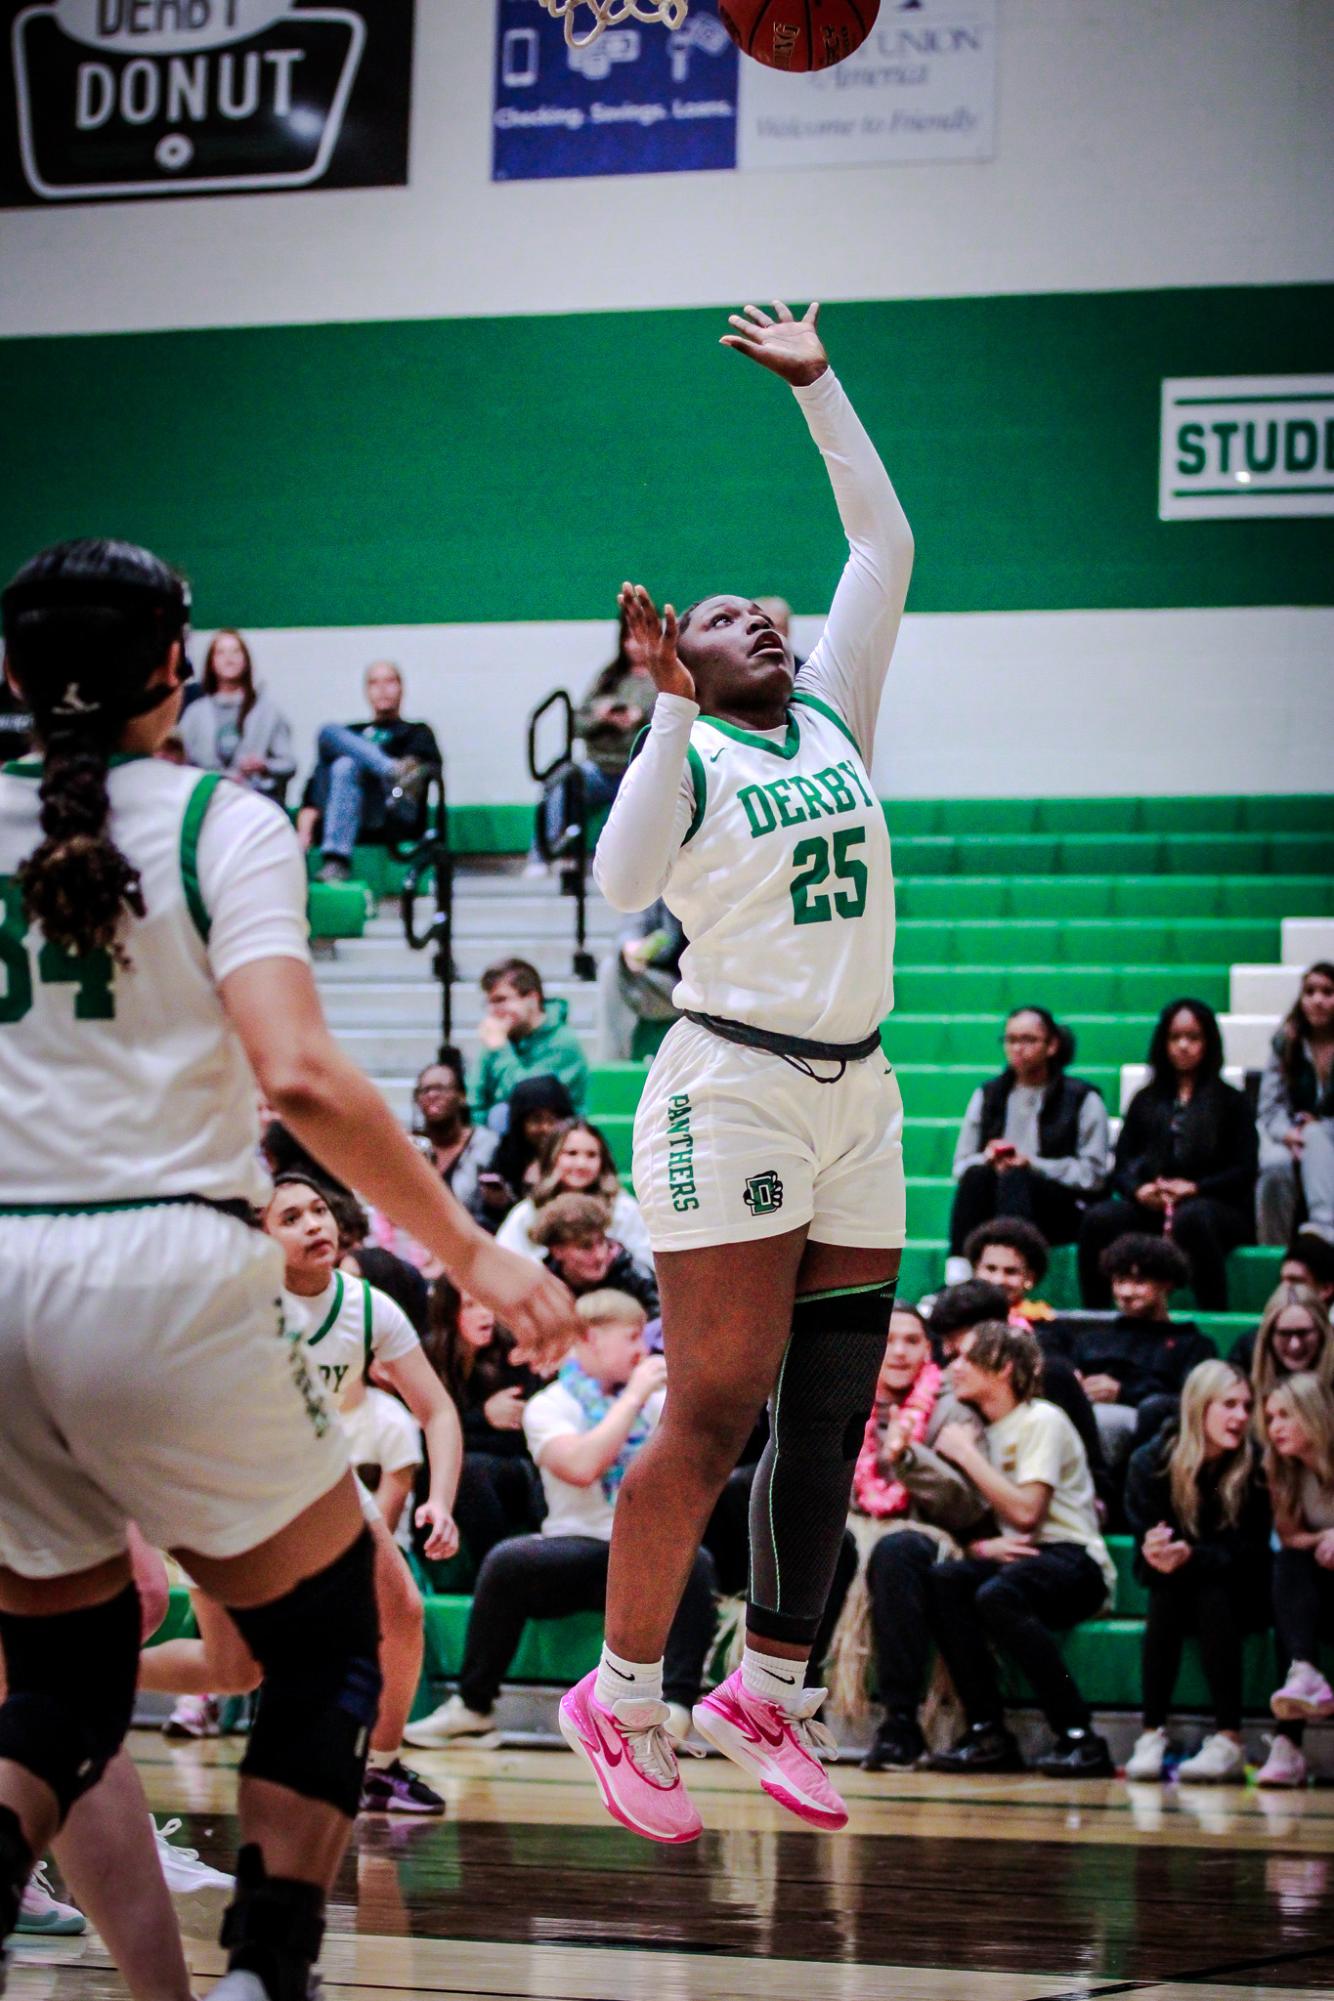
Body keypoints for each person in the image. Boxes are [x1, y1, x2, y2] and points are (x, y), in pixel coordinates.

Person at [0, 539, 576, 2001]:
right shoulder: (221, 819)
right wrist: (467, 1253)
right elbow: (301, 1076)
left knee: (54, 1691)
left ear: (10, 676)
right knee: (333, 1638)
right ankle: (269, 1968)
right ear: (175, 672)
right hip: (164, 1265)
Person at [562, 298, 914, 1845]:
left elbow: (881, 546)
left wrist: (819, 388)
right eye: (722, 616)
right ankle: (621, 1695)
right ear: (679, 658)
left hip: (860, 1086)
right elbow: (621, 888)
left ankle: (761, 1684)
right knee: (712, 1405)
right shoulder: (688, 754)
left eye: (764, 610)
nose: (759, 617)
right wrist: (665, 719)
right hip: (733, 1086)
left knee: (829, 1411)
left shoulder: (839, 702)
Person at [138, 1168, 467, 1817]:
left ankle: (378, 1765)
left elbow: (439, 1411)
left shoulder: (369, 1306)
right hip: (223, 1484)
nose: (314, 1222)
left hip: (318, 1474)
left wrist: (442, 1498)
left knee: (400, 1607)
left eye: (318, 1209)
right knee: (235, 1671)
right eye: (290, 1217)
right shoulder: (230, 1305)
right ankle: (67, 1674)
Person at [405, 1291, 718, 1756]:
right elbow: (582, 1465)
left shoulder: (658, 1403)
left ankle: (674, 1708)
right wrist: (632, 1398)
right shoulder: (549, 1405)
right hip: (576, 1547)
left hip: (644, 1551)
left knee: (694, 1561)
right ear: (590, 1338)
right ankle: (473, 1709)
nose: (642, 1351)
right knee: (507, 1562)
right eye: (631, 1337)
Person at [925, 1322, 1116, 1776]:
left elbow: (1029, 1512)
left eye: (967, 1358)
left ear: (1004, 1367)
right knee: (945, 1580)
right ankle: (988, 1732)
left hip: (1075, 1560)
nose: (954, 1367)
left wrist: (966, 1456)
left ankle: (1080, 1736)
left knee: (999, 1595)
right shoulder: (976, 1428)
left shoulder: (1041, 1420)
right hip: (1020, 1560)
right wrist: (981, 1547)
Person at [842, 1306, 989, 1772]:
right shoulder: (842, 1397)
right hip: (849, 1528)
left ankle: (901, 1722)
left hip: (923, 1533)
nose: (899, 1352)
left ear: (929, 1350)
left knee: (896, 1551)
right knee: (828, 1546)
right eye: (888, 1340)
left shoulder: (955, 1410)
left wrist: (910, 1459)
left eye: (911, 1341)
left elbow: (967, 1507)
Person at [1123, 1362, 1270, 1783]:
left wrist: (1192, 1556)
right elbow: (1143, 1560)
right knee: (1168, 1591)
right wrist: (1157, 1553)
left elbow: (1251, 1554)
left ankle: (1229, 1739)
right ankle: (1151, 1733)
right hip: (1175, 1589)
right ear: (1198, 1407)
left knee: (1210, 1587)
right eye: (1229, 1405)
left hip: (1241, 1593)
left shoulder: (1254, 1466)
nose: (1241, 1416)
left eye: (1246, 1406)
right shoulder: (1151, 1463)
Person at [1078, 998, 1258, 1311]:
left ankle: (1212, 1316)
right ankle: (1095, 1315)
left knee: (1193, 1219)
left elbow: (1244, 1170)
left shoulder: (1232, 1101)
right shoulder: (1145, 1099)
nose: (1183, 1046)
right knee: (1100, 1219)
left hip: (1216, 1207)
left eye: (1193, 1038)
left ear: (1208, 1043)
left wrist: (1195, 1189)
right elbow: (1121, 1166)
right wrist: (1139, 1190)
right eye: (1175, 1038)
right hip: (1152, 1204)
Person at [948, 1008, 1109, 1265]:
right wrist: (988, 1159)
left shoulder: (1082, 1098)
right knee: (977, 1176)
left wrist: (1032, 1164)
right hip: (996, 1199)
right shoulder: (988, 1094)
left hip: (1060, 1207)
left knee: (1016, 1177)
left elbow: (1094, 1175)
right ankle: (958, 1278)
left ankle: (1012, 1271)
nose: (1018, 1048)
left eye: (1028, 1040)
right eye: (1011, 1040)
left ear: (1052, 1045)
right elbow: (961, 1166)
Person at [931, 1279, 1109, 1507]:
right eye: (943, 1339)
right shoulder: (945, 1377)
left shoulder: (1050, 1381)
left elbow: (1093, 1469)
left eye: (954, 1338)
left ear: (992, 1332)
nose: (946, 1351)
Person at [415, 1279, 546, 1575]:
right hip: (456, 1471)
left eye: (488, 1303)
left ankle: (497, 1576)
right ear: (449, 1312)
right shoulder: (430, 1355)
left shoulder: (512, 1352)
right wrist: (483, 1418)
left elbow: (520, 1439)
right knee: (439, 1469)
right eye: (471, 1306)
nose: (485, 1314)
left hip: (516, 1467)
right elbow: (426, 1436)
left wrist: (465, 1430)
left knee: (469, 1470)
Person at [528, 605, 657, 877]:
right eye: (629, 638)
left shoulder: (665, 679)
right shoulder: (609, 678)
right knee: (561, 779)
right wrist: (602, 717)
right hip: (600, 768)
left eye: (641, 637)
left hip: (640, 771)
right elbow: (576, 724)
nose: (634, 646)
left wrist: (640, 718)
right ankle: (550, 852)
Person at [1072, 1234, 1216, 1471]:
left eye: (1139, 1282)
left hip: (1150, 1436)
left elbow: (1190, 1401)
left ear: (1166, 1284)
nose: (1126, 1292)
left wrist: (1124, 1392)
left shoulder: (1193, 1345)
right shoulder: (1091, 1340)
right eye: (1119, 1281)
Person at [296, 660, 440, 883]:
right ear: (367, 691)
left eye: (389, 681)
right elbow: (316, 786)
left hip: (393, 808)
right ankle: (391, 768)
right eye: (374, 682)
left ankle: (336, 859)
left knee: (346, 762)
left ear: (401, 688)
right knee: (333, 741)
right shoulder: (353, 733)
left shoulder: (416, 731)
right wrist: (304, 828)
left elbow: (420, 775)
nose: (382, 688)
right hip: (349, 810)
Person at [1260, 1373, 1334, 1787]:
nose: (1275, 1428)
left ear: (1314, 1414)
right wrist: (1326, 1537)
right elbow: (1290, 1535)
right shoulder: (1281, 1467)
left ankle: (1302, 1679)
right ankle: (1303, 1677)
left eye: (1286, 1416)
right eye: (1271, 1418)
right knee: (1288, 1565)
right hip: (1323, 1585)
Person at [370, 1052, 509, 1266]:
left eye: (441, 1088)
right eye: (425, 1090)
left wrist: (497, 1201)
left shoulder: (488, 1144)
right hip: (414, 1252)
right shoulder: (407, 1147)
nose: (432, 1095)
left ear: (461, 1096)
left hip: (472, 1249)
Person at [496, 1117, 652, 1267]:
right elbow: (503, 1265)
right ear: (552, 1158)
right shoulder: (528, 1212)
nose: (581, 1164)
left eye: (591, 1155)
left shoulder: (623, 1209)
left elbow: (646, 1263)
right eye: (571, 1153)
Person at [1256, 963, 1334, 1247]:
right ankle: (1272, 1250)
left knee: (1317, 1137)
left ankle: (1324, 1233)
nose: (1318, 1000)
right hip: (1293, 1134)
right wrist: (1288, 1134)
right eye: (1310, 992)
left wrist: (1318, 1129)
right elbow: (1270, 1106)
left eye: (1328, 992)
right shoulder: (1286, 1042)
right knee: (1275, 1165)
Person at [177, 629, 295, 804]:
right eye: (221, 652)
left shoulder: (267, 712)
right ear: (211, 662)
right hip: (206, 801)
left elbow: (289, 764)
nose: (229, 659)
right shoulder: (195, 713)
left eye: (235, 651)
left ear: (246, 660)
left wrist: (264, 766)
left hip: (255, 801)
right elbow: (180, 762)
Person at [474, 959, 590, 1121]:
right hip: (505, 1138)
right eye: (490, 1003)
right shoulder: (501, 1036)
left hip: (555, 1131)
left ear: (532, 998)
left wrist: (501, 1049)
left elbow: (530, 1100)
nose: (494, 1011)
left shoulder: (563, 1042)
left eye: (501, 1000)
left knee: (500, 1114)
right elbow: (475, 1100)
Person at [530, 1193, 661, 1318]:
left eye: (601, 1242)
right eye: (585, 1247)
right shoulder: (542, 1288)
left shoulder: (637, 1278)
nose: (600, 1255)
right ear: (557, 1251)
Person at [595, 899, 685, 1063]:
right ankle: (615, 1067)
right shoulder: (660, 885)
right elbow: (632, 925)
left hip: (709, 982)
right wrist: (631, 948)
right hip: (669, 985)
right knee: (611, 969)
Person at [489, 1073, 576, 1203]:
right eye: (536, 1120)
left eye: (553, 1119)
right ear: (520, 1123)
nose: (546, 1128)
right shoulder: (504, 1157)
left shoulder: (578, 1157)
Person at [1247, 1284, 1334, 1407]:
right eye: (1284, 1334)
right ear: (1269, 1336)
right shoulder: (1246, 1394)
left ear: (1322, 1333)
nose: (1295, 1345)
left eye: (1303, 1333)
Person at [964, 1217, 1057, 1326]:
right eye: (990, 1268)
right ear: (975, 1270)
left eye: (1010, 1272)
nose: (998, 1280)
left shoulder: (1046, 1329)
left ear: (1030, 1278)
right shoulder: (953, 1322)